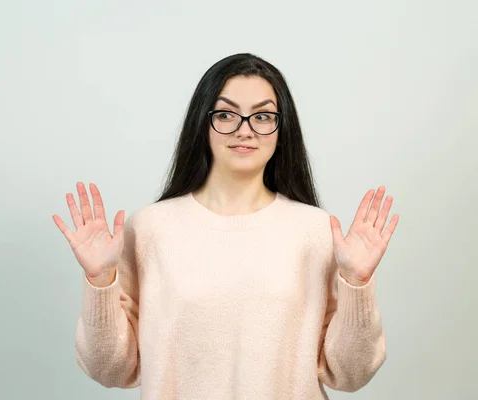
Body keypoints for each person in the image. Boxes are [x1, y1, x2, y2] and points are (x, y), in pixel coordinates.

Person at [52, 53, 399, 399]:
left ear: (282, 128)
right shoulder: (148, 230)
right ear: (202, 123)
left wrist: (357, 283)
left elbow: (351, 374)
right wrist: (100, 281)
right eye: (226, 114)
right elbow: (110, 369)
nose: (244, 130)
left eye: (262, 116)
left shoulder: (317, 232)